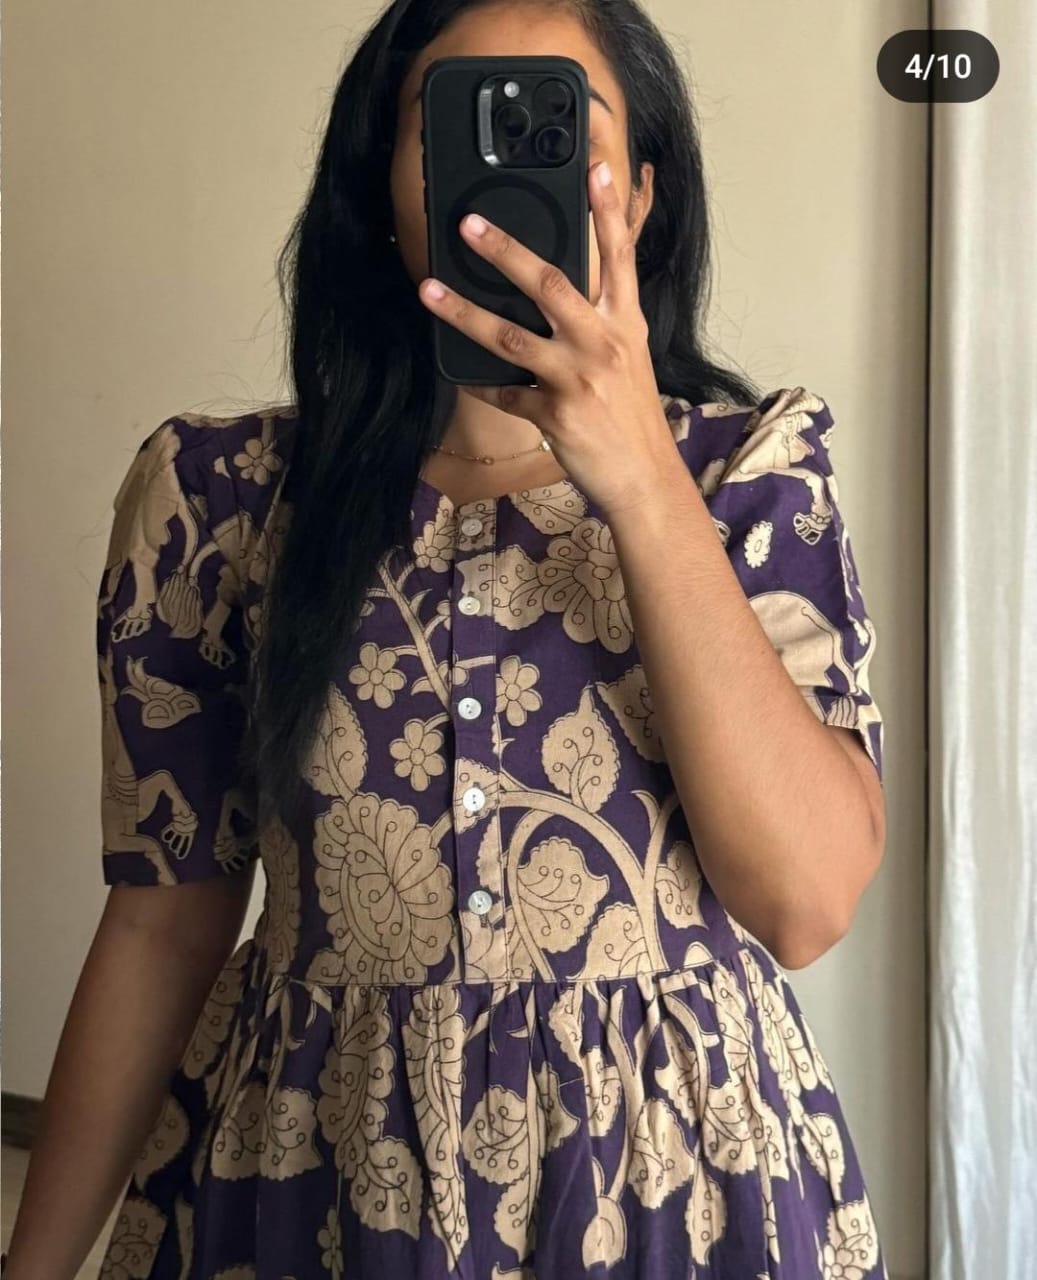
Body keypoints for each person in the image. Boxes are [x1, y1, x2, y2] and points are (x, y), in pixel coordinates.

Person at [3, 1, 890, 1277]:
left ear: (639, 194)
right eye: (456, 130)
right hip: (311, 1184)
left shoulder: (748, 477)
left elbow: (804, 901)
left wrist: (641, 479)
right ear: (385, 189)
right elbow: (160, 929)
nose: (499, 181)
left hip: (677, 1200)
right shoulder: (220, 501)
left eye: (552, 130)